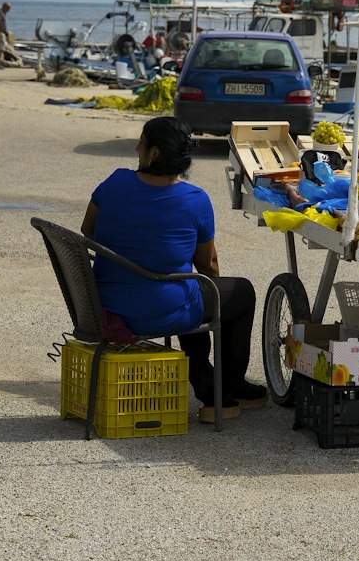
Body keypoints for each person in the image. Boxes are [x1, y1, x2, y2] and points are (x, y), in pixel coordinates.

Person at [80, 117, 266, 424]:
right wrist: (211, 293)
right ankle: (226, 387)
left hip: (105, 305)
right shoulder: (194, 200)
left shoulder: (114, 182)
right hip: (161, 310)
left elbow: (88, 232)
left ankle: (207, 384)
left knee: (188, 290)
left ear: (153, 153)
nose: (137, 147)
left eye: (141, 142)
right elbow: (207, 265)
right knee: (236, 292)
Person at [0, 1, 12, 68]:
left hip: (2, 33)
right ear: (5, 7)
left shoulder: (2, 13)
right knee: (0, 49)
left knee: (1, 49)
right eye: (8, 8)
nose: (9, 10)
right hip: (0, 32)